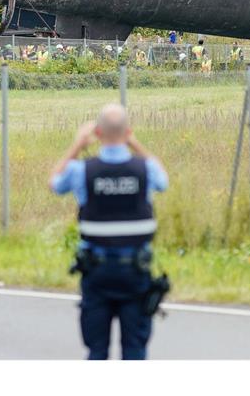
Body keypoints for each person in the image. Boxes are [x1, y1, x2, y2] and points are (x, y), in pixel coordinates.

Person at [50, 104, 168, 360]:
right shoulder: (144, 169)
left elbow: (55, 184)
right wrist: (134, 144)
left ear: (98, 133)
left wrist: (77, 145)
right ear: (128, 132)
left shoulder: (82, 170)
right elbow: (163, 180)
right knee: (135, 350)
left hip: (97, 273)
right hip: (135, 272)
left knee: (97, 350)